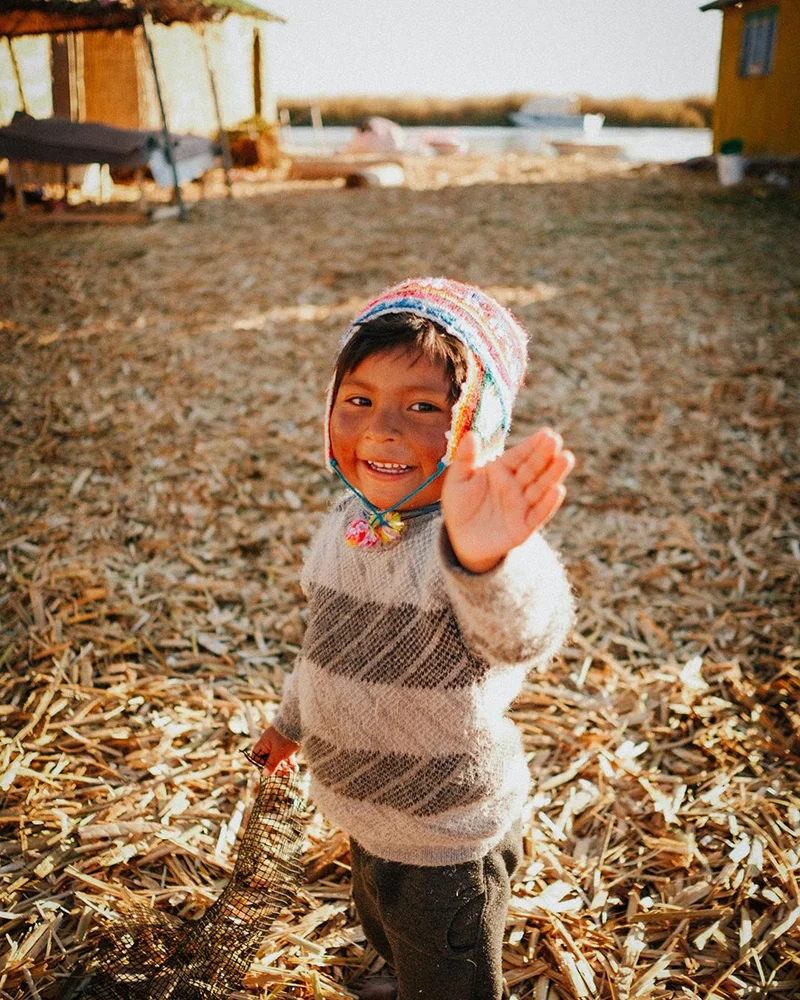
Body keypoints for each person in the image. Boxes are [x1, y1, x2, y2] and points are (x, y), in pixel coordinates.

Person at [252, 277, 575, 1000]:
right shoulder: (346, 520)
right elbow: (325, 644)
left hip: (444, 838)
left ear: (476, 429)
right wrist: (290, 721)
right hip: (363, 811)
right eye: (358, 400)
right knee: (379, 914)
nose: (383, 430)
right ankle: (402, 974)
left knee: (446, 965)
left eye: (426, 407)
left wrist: (488, 558)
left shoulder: (468, 549)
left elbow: (523, 631)